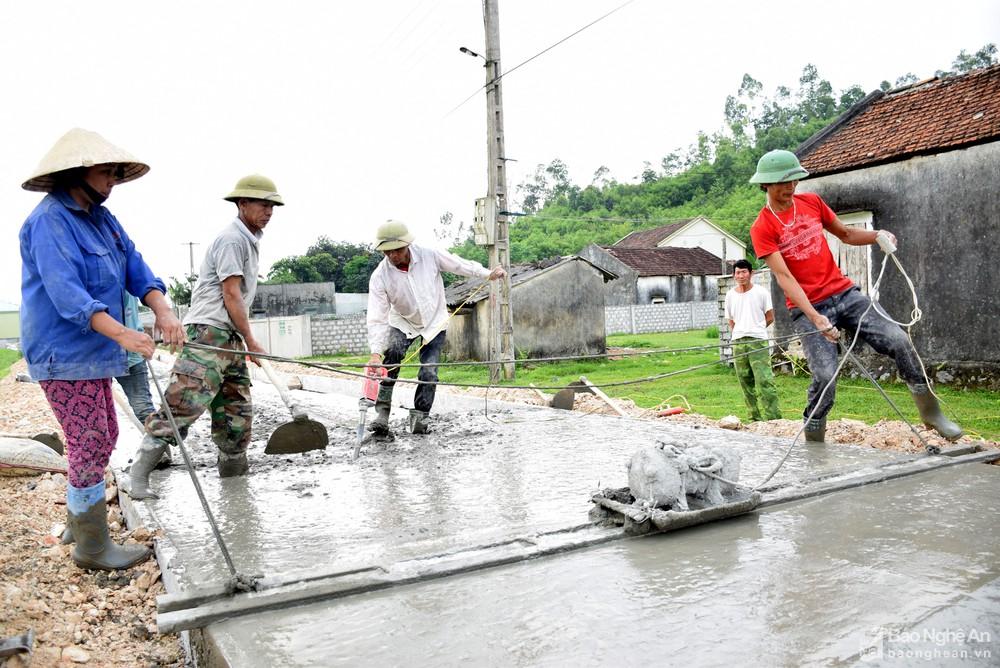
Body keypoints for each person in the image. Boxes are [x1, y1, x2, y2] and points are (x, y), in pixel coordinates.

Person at [19, 128, 186, 570]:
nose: (113, 179)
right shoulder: (49, 221)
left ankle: (80, 519)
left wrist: (162, 309)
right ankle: (92, 547)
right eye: (106, 171)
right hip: (64, 352)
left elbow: (134, 263)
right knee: (89, 439)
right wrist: (124, 334)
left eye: (116, 172)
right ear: (77, 171)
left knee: (103, 434)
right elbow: (67, 295)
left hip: (92, 351)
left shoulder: (102, 219)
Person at [748, 149, 962, 443]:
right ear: (766, 184)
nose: (791, 187)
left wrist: (876, 236)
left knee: (899, 340)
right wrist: (814, 316)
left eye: (794, 180)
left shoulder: (811, 203)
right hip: (809, 307)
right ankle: (814, 430)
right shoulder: (762, 227)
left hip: (845, 294)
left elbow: (846, 234)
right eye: (783, 182)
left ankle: (931, 413)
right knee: (825, 376)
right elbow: (784, 278)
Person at [127, 175, 281, 499]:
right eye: (263, 204)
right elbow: (231, 293)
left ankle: (236, 492)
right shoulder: (231, 239)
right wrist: (252, 340)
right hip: (210, 335)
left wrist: (242, 341)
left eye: (272, 206)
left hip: (230, 338)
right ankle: (137, 477)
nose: (269, 211)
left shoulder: (250, 240)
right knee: (183, 404)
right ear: (243, 204)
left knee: (235, 415)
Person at [366, 221, 506, 435]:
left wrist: (486, 273)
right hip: (402, 321)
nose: (393, 256)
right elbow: (377, 316)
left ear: (407, 245)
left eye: (398, 250)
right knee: (392, 357)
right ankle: (382, 414)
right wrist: (375, 353)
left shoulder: (429, 256)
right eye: (387, 252)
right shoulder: (380, 276)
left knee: (429, 372)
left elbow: (458, 265)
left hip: (434, 322)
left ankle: (420, 419)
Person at [725, 259, 781, 422]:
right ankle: (754, 418)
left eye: (744, 272)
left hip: (758, 341)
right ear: (734, 275)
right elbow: (731, 321)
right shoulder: (730, 295)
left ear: (751, 273)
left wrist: (757, 328)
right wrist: (740, 331)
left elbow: (770, 317)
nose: (741, 275)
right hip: (738, 342)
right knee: (745, 381)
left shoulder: (761, 292)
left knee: (764, 380)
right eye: (738, 272)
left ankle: (774, 419)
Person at [115, 293, 157, 424]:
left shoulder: (124, 278)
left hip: (130, 355)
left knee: (144, 410)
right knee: (99, 412)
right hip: (98, 358)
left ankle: (158, 442)